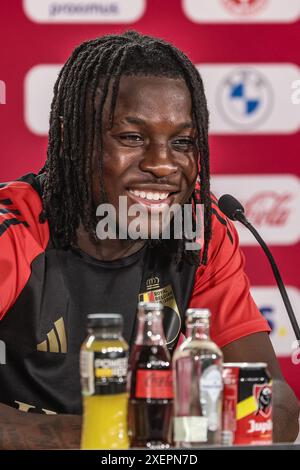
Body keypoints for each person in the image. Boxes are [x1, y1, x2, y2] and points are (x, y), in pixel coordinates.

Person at [0, 31, 298, 449]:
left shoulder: (200, 230)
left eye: (182, 143)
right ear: (70, 138)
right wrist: (118, 437)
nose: (162, 165)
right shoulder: (13, 231)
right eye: (132, 138)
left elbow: (269, 397)